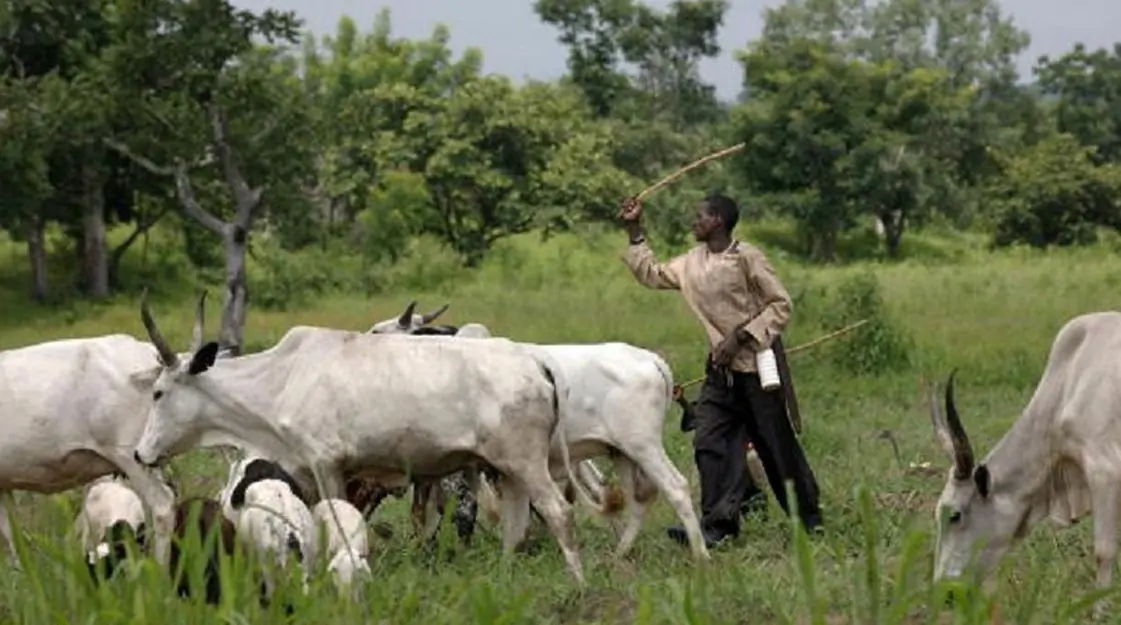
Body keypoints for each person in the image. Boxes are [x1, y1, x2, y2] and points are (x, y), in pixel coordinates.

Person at [619, 193, 823, 547]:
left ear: (718, 221)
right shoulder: (691, 262)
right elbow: (652, 274)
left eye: (700, 216)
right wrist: (635, 229)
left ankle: (810, 520)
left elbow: (780, 305)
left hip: (757, 370)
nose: (694, 222)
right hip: (720, 373)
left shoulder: (747, 257)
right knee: (709, 442)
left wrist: (740, 337)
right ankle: (718, 526)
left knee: (776, 447)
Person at [674, 384, 768, 519]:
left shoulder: (741, 393)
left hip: (743, 454)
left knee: (751, 469)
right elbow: (701, 417)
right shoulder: (713, 399)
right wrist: (682, 401)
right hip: (722, 457)